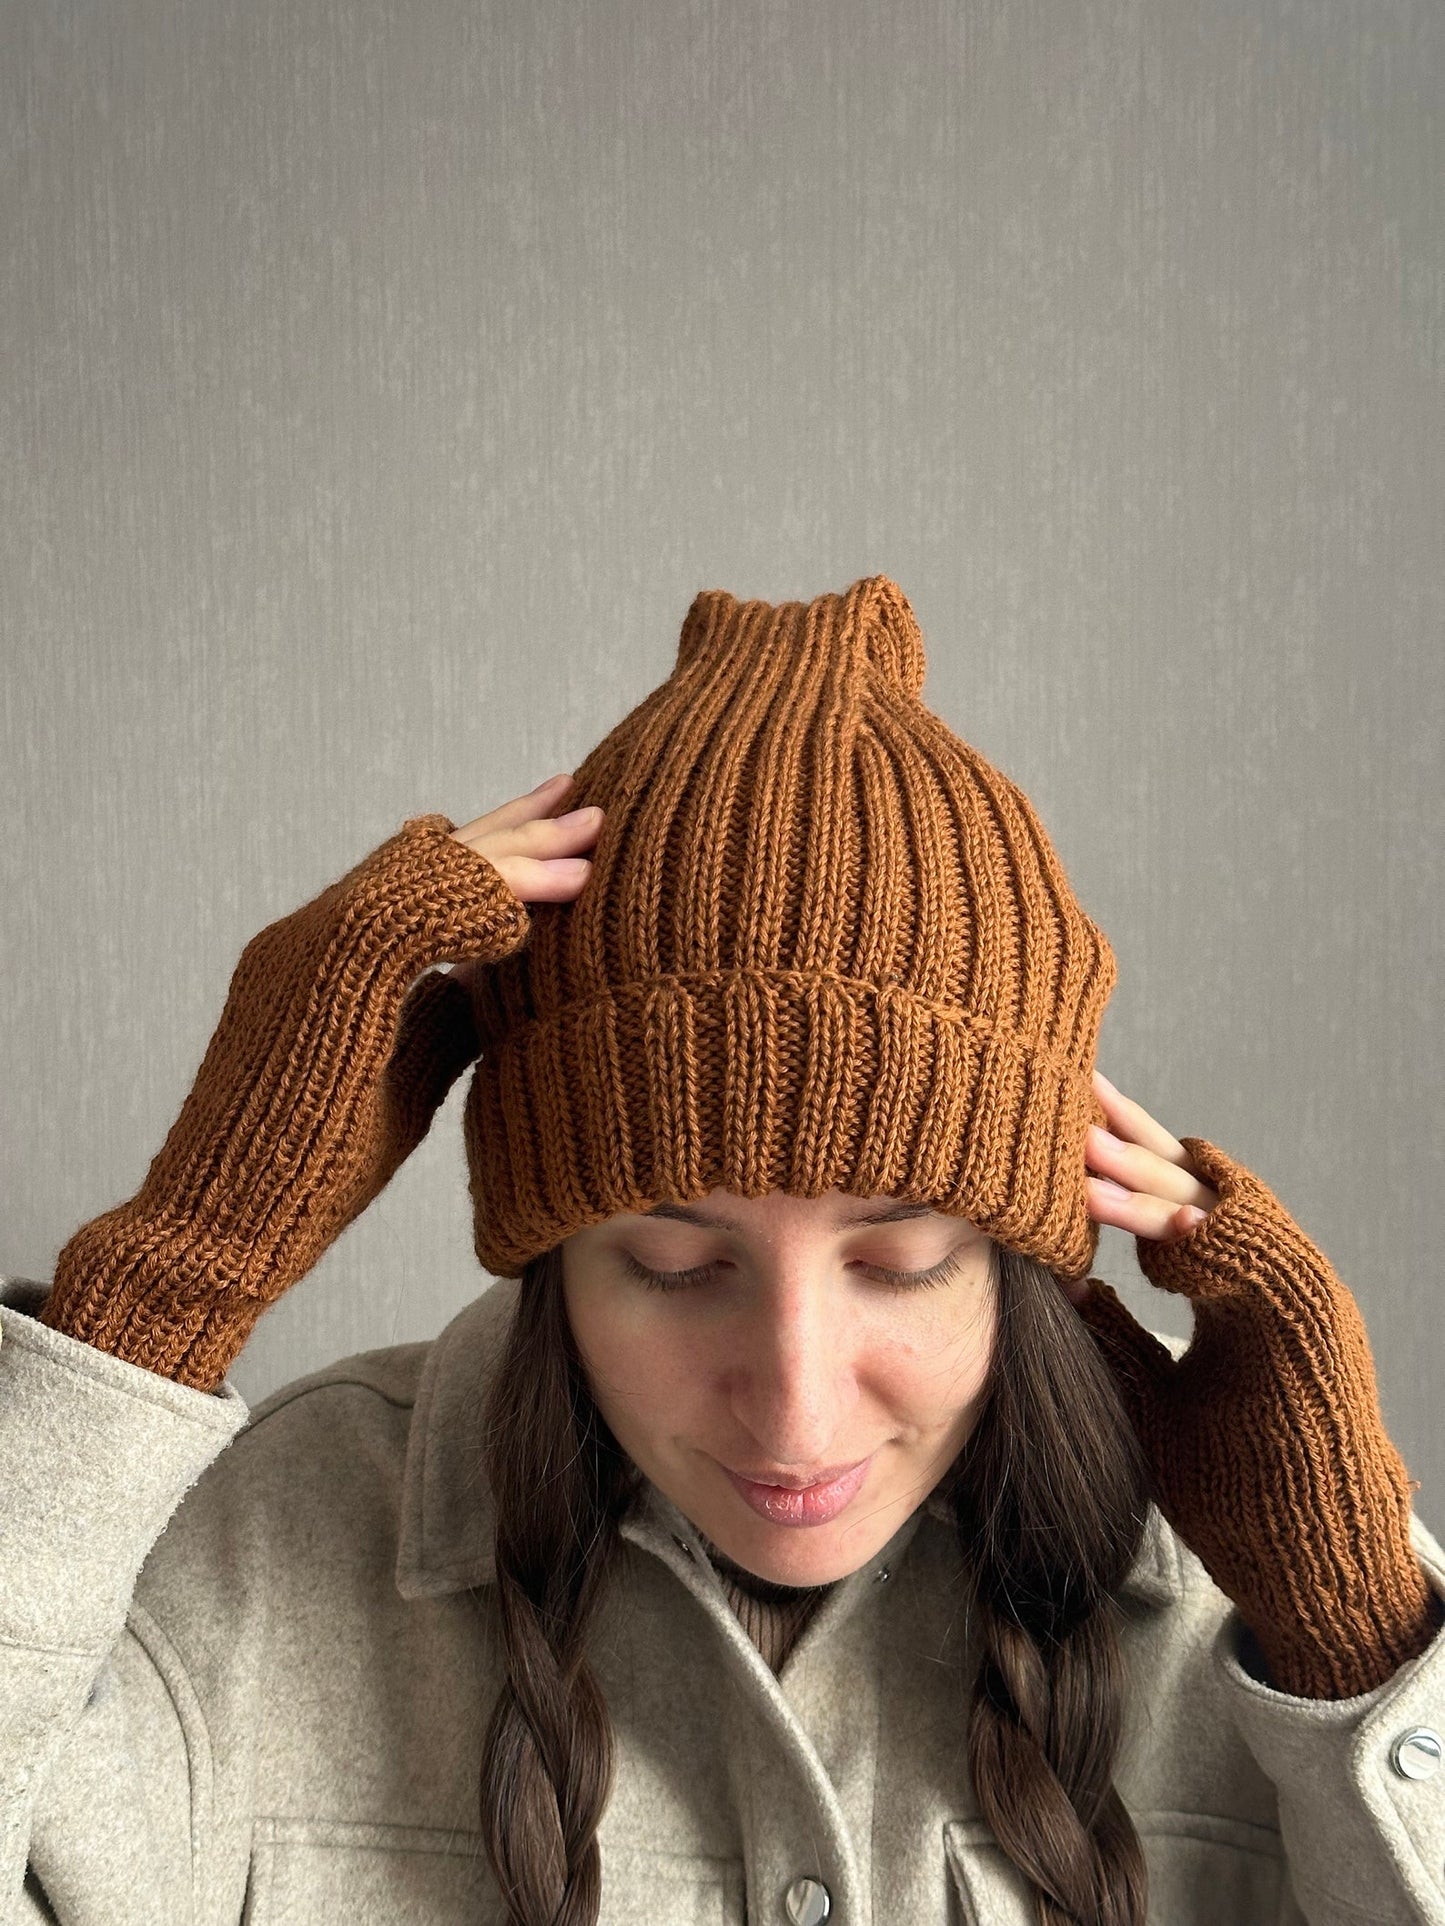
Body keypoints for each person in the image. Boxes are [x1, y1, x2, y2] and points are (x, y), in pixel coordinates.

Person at [2, 575, 1442, 1926]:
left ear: (1023, 1252)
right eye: (679, 1268)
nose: (796, 1408)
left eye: (896, 1262)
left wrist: (1353, 1636)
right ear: (552, 1253)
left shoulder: (1230, 1587)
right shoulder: (270, 1559)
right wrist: (163, 1284)